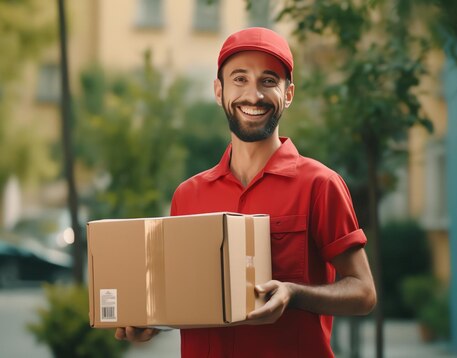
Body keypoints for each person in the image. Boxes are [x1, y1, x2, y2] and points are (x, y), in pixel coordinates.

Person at [115, 27, 376, 357]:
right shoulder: (188, 194)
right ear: (218, 90)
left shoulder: (320, 184)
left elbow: (364, 292)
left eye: (268, 81)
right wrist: (152, 322)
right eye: (240, 79)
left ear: (289, 93)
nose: (254, 95)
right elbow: (189, 298)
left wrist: (294, 294)